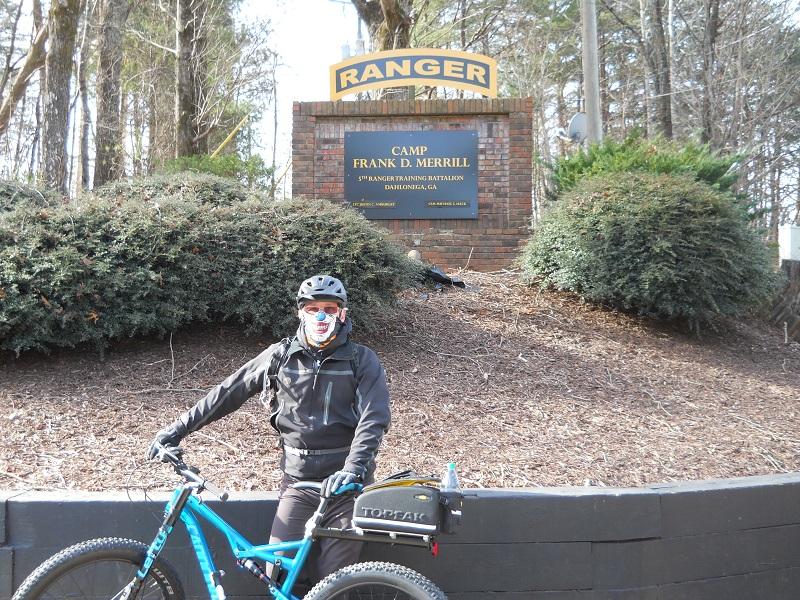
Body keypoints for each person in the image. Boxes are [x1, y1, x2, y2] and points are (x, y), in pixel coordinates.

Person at [146, 274, 391, 592]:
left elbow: (374, 418)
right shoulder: (281, 356)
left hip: (346, 488)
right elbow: (228, 392)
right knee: (276, 573)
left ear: (342, 313)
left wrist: (352, 470)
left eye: (329, 309)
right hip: (298, 483)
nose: (320, 317)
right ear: (299, 312)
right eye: (312, 308)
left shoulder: (361, 360)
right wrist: (177, 429)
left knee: (334, 580)